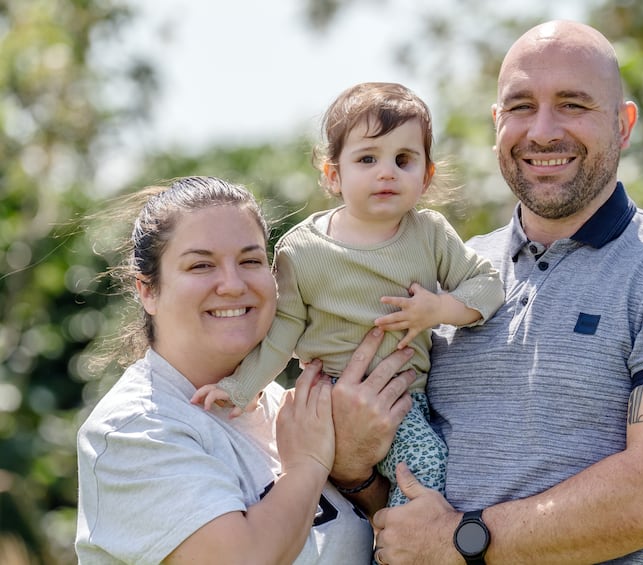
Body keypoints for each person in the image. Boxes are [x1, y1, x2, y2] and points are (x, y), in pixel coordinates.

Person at [367, 20, 643, 564]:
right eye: (521, 106)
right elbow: (390, 465)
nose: (543, 131)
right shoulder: (445, 274)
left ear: (624, 126)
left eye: (573, 104)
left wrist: (460, 539)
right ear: (497, 122)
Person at [192, 83, 505, 507]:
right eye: (368, 159)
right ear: (333, 175)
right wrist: (242, 387)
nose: (387, 172)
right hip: (326, 396)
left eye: (404, 160)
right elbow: (283, 329)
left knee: (428, 472)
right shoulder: (302, 249)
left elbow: (488, 284)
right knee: (424, 464)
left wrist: (439, 309)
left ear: (427, 175)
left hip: (402, 398)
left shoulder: (429, 234)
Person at [74, 176, 414, 564]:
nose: (233, 285)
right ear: (148, 290)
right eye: (201, 265)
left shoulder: (288, 406)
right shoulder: (133, 430)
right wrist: (307, 467)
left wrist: (356, 473)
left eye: (250, 261)